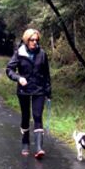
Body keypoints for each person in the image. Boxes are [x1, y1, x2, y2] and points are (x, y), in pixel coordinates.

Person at [6, 28, 52, 157]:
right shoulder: (19, 53)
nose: (34, 42)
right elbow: (9, 70)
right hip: (24, 90)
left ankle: (38, 148)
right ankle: (25, 142)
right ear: (26, 40)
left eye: (36, 40)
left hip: (39, 89)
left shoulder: (42, 54)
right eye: (32, 40)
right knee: (25, 116)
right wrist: (18, 78)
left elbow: (46, 74)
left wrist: (48, 91)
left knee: (37, 116)